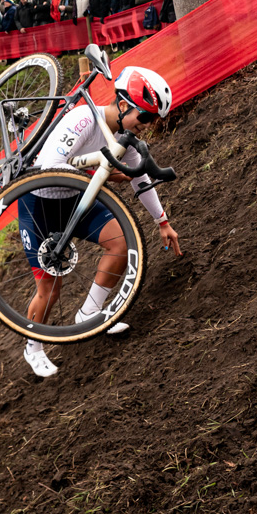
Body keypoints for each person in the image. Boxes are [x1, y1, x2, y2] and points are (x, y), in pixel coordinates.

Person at [21, 65, 183, 378]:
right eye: (144, 116)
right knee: (51, 287)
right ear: (123, 105)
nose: (146, 126)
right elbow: (50, 165)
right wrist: (102, 174)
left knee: (121, 242)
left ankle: (90, 314)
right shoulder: (84, 118)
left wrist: (162, 222)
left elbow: (140, 179)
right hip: (40, 202)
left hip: (76, 200)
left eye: (152, 120)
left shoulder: (125, 138)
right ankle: (33, 347)